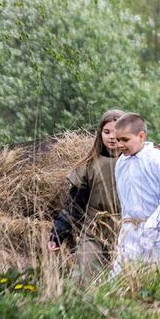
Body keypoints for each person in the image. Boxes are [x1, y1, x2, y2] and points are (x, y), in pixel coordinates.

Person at [48, 109, 125, 282]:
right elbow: (74, 204)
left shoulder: (136, 163)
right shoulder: (90, 165)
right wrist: (58, 233)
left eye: (117, 132)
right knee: (82, 279)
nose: (112, 137)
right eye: (107, 132)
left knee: (119, 283)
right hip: (94, 232)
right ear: (100, 134)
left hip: (126, 232)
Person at [111, 113, 160, 276]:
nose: (120, 144)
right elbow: (125, 201)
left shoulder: (156, 160)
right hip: (131, 231)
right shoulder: (121, 164)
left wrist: (154, 227)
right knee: (124, 275)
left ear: (141, 136)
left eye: (125, 140)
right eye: (117, 140)